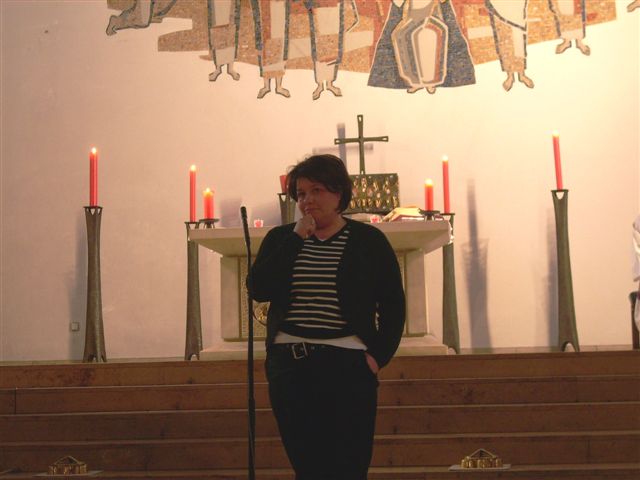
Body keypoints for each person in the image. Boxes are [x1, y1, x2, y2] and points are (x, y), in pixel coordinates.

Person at [250, 154, 406, 479]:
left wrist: (377, 357)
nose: (307, 200)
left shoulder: (368, 241)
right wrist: (296, 238)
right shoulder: (281, 239)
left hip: (348, 366)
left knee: (349, 466)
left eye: (316, 191)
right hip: (292, 366)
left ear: (338, 194)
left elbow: (393, 304)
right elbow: (259, 288)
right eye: (301, 194)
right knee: (308, 467)